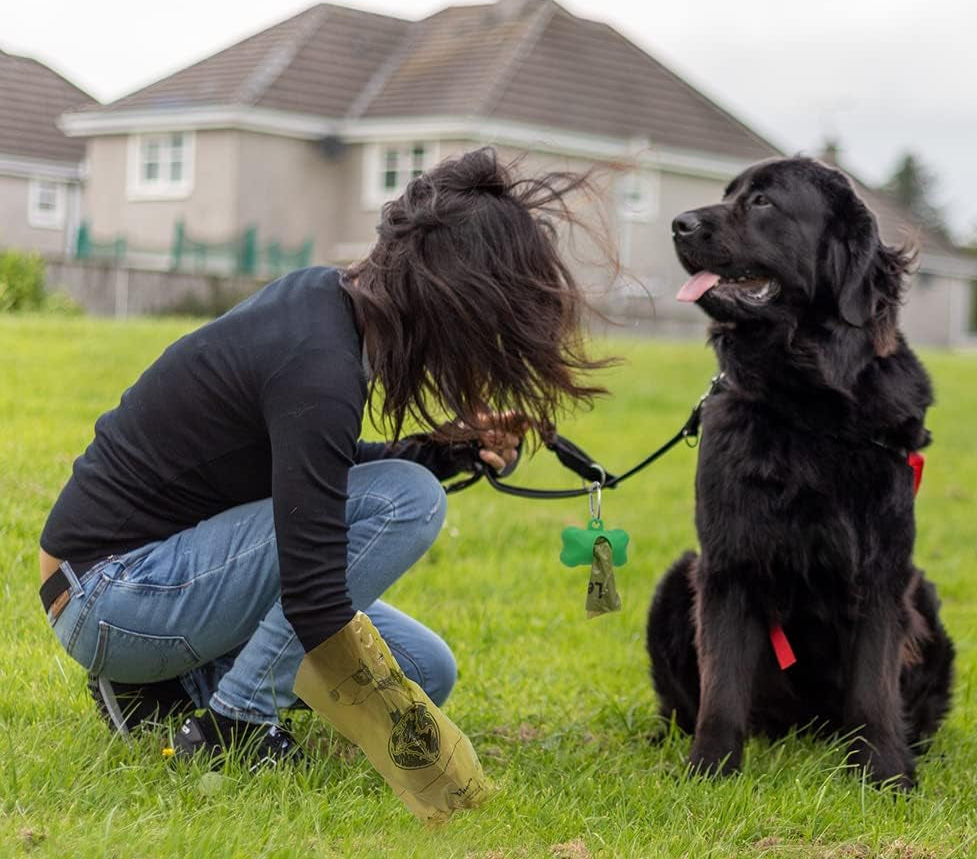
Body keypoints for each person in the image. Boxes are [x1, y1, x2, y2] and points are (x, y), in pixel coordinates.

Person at [39, 147, 612, 792]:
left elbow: (307, 480)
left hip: (160, 576)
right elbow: (313, 586)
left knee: (427, 671)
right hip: (108, 592)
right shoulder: (318, 363)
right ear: (450, 298)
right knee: (408, 501)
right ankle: (233, 725)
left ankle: (162, 686)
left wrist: (444, 451)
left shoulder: (325, 308)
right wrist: (438, 774)